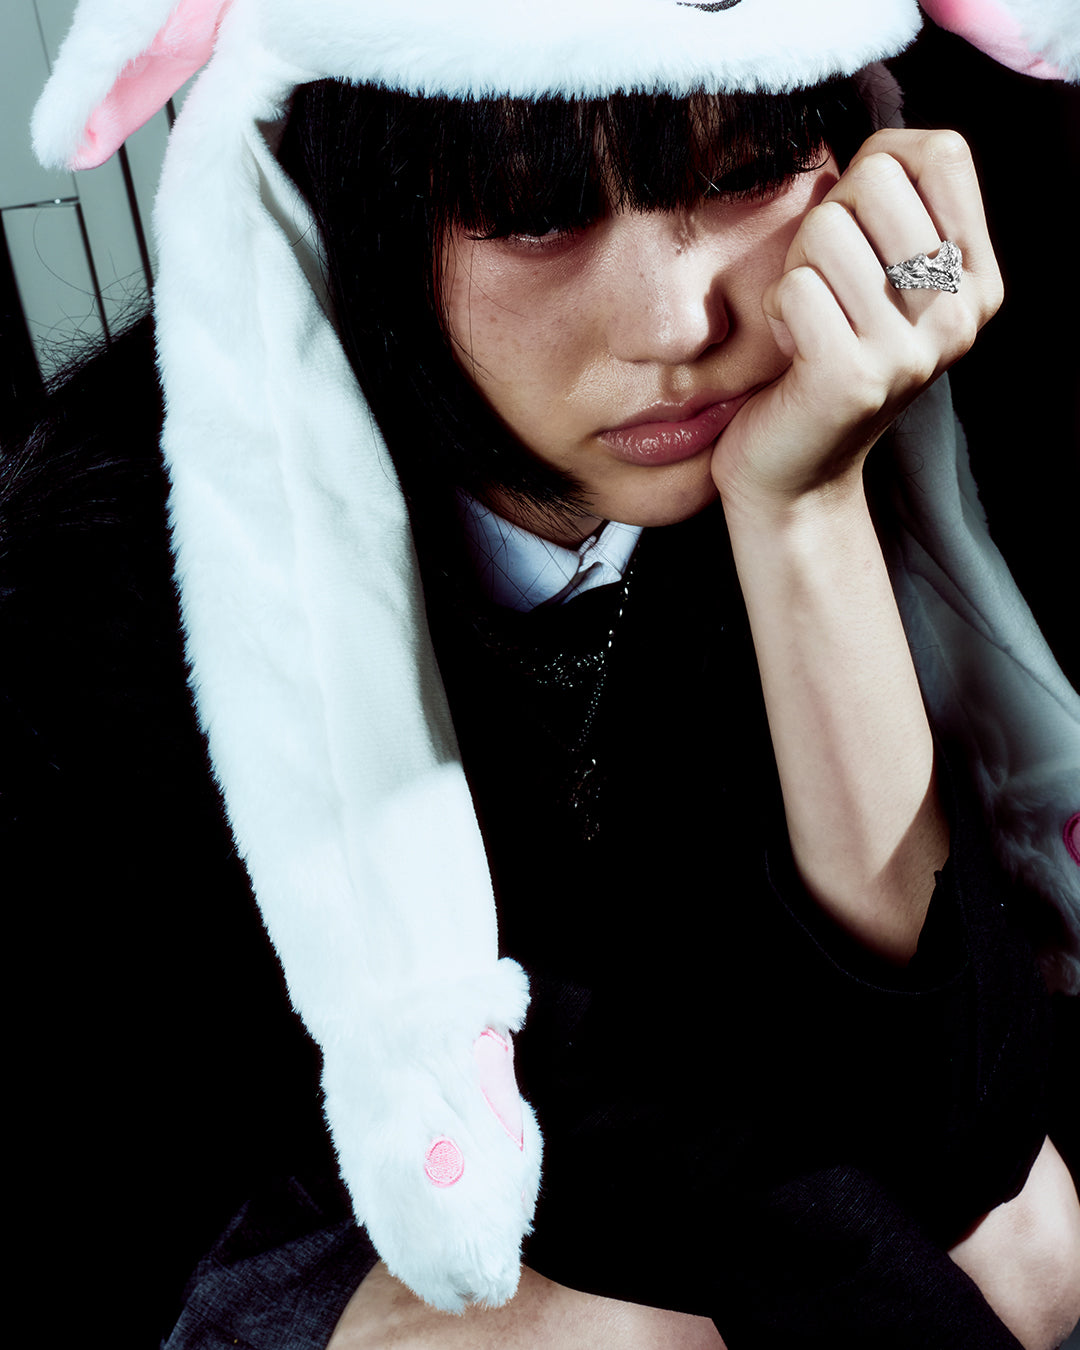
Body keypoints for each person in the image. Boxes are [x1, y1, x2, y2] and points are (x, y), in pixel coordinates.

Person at [7, 1, 1079, 1347]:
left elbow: (962, 1125)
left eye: (751, 169)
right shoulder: (127, 554)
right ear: (362, 202)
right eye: (531, 212)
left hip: (705, 1124)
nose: (678, 321)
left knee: (1034, 1244)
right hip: (332, 1193)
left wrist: (802, 509)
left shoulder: (860, 399)